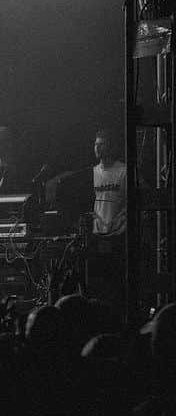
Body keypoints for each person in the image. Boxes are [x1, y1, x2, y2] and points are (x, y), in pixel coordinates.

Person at [87, 127, 127, 316]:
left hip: (119, 235)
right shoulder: (92, 172)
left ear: (111, 146)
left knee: (116, 282)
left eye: (101, 144)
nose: (97, 148)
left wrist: (122, 219)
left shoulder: (124, 171)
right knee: (99, 282)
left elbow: (136, 199)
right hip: (98, 235)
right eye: (96, 144)